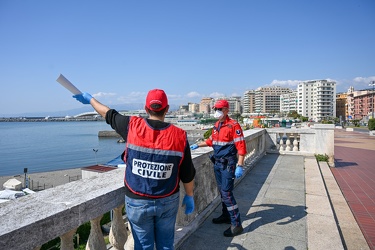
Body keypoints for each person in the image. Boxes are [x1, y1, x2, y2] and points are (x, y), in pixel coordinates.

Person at [73, 89, 195, 250]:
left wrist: (90, 100)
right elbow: (187, 173)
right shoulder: (179, 136)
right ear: (167, 109)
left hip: (137, 201)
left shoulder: (132, 126)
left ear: (146, 109)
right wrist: (190, 195)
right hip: (167, 199)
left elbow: (108, 114)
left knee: (143, 246)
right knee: (166, 245)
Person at [190, 99, 246, 237]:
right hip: (218, 163)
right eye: (215, 109)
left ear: (226, 110)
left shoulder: (234, 125)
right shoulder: (217, 125)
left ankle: (236, 224)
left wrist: (240, 165)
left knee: (227, 193)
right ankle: (226, 215)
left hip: (228, 164)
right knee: (222, 192)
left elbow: (241, 146)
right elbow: (212, 141)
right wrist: (198, 145)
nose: (217, 112)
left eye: (219, 109)